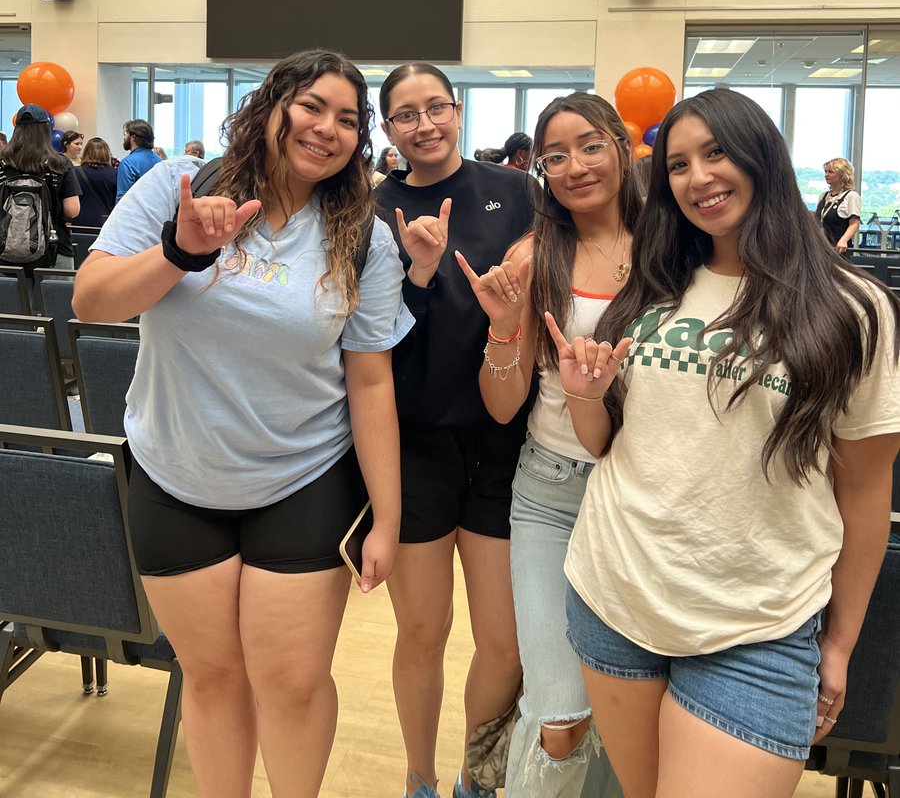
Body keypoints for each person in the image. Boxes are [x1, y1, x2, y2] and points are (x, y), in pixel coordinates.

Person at [73, 49, 414, 798]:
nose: (328, 129)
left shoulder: (363, 235)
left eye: (349, 120)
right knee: (214, 676)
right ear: (274, 105)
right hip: (176, 473)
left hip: (301, 479)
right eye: (313, 106)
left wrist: (387, 517)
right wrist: (180, 252)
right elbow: (91, 301)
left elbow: (370, 378)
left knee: (291, 683)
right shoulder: (177, 187)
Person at [552, 88, 899, 798]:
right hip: (615, 595)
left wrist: (838, 643)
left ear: (762, 155)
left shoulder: (852, 308)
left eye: (716, 152)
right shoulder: (651, 289)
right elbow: (609, 445)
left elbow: (865, 491)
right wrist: (585, 400)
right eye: (678, 164)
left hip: (758, 623)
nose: (698, 177)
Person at [456, 93, 637, 798]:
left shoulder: (674, 249)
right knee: (559, 712)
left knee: (626, 708)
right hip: (550, 491)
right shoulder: (535, 255)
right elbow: (502, 405)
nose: (574, 166)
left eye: (590, 145)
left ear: (621, 144)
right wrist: (504, 326)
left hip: (643, 496)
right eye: (556, 155)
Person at [374, 63, 536, 798]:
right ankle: (419, 779)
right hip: (414, 441)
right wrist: (416, 273)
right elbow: (364, 341)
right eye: (405, 114)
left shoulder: (519, 193)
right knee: (422, 632)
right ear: (387, 130)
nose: (424, 123)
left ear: (458, 109)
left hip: (504, 438)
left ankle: (477, 778)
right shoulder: (369, 209)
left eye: (435, 106)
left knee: (503, 642)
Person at [0, 104, 81, 272]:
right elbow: (72, 210)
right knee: (54, 298)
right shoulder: (60, 163)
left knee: (9, 299)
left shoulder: (3, 163)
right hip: (54, 249)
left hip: (5, 249)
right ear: (47, 130)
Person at [816, 158, 862, 253]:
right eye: (826, 171)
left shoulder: (851, 196)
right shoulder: (823, 196)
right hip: (821, 248)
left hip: (839, 249)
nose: (826, 175)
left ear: (842, 175)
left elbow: (854, 223)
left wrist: (844, 240)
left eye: (831, 172)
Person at [73, 137, 118, 228]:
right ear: (106, 153)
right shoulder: (115, 173)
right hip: (106, 221)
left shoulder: (76, 172)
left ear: (86, 152)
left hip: (81, 220)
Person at [117, 118, 161, 201]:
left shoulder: (127, 163)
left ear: (133, 137)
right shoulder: (159, 161)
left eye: (125, 134)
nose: (124, 137)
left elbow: (123, 200)